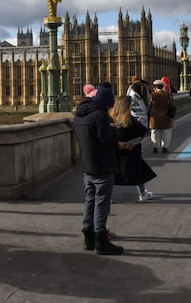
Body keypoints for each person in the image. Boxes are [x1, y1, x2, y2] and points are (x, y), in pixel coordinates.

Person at [73, 82, 124, 255]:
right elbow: (106, 140)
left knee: (90, 200)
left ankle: (89, 237)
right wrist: (114, 132)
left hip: (87, 165)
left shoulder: (79, 115)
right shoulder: (100, 115)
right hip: (102, 165)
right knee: (102, 202)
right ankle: (101, 240)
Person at [110, 95, 157, 202]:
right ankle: (142, 194)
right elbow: (142, 131)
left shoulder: (110, 119)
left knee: (112, 175)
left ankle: (108, 196)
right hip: (131, 153)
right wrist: (140, 122)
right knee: (138, 172)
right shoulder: (130, 120)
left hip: (115, 152)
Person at [149, 79, 173, 153]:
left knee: (155, 132)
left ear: (155, 87)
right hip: (166, 116)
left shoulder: (153, 95)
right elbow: (170, 104)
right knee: (166, 132)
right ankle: (164, 147)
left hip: (155, 117)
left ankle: (155, 147)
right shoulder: (167, 94)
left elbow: (150, 105)